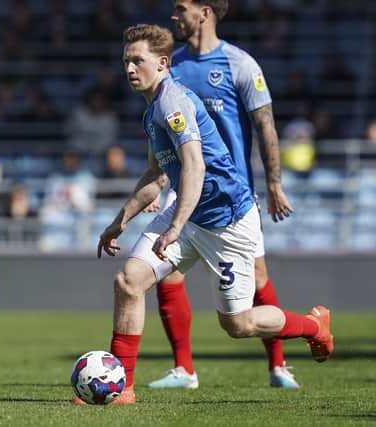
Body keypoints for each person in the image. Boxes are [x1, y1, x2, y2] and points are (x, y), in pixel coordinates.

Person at [73, 24, 333, 405]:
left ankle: (313, 327)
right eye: (126, 61)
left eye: (137, 61)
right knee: (129, 282)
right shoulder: (151, 111)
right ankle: (122, 387)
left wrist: (175, 225)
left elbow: (195, 166)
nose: (129, 68)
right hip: (190, 214)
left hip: (227, 221)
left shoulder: (172, 103)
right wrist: (121, 219)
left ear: (162, 63)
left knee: (239, 324)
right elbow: (156, 175)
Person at [148, 0, 300, 390]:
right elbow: (166, 133)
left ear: (205, 12)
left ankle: (278, 365)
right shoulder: (172, 66)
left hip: (231, 194)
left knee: (258, 277)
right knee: (165, 271)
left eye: (181, 8)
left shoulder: (240, 64)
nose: (173, 16)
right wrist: (157, 183)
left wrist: (273, 183)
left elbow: (264, 124)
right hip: (185, 189)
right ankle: (184, 370)